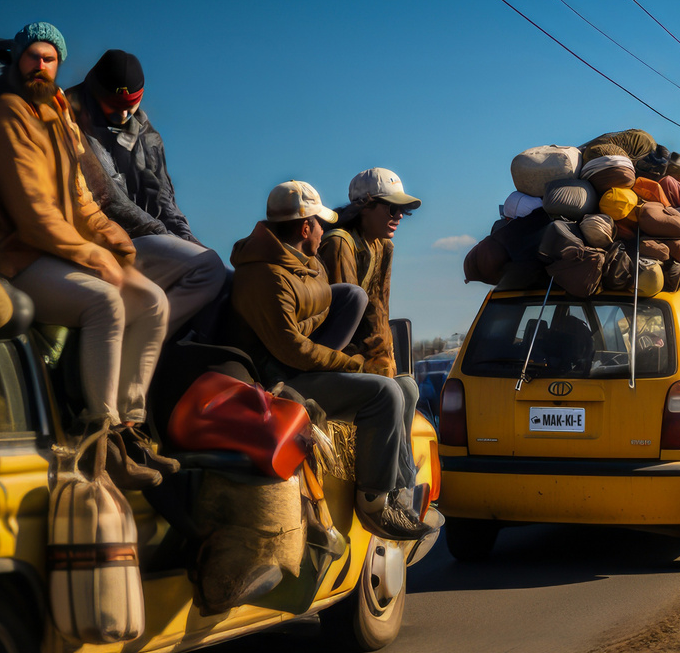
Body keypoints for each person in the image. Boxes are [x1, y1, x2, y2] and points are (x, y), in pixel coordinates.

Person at [0, 21, 173, 489]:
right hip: (13, 256)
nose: (41, 65)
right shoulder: (6, 116)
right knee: (104, 302)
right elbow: (33, 214)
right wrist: (91, 256)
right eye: (33, 56)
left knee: (154, 302)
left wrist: (113, 241)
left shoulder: (57, 120)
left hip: (54, 251)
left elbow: (80, 201)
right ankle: (98, 439)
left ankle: (129, 429)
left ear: (59, 66)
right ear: (18, 60)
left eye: (50, 58)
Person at [226, 181, 437, 541]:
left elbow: (311, 321)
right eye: (320, 224)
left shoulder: (303, 263)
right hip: (280, 381)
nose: (325, 231)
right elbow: (290, 347)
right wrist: (350, 363)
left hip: (299, 365)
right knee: (384, 394)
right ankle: (374, 502)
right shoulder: (267, 274)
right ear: (305, 228)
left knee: (404, 386)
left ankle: (401, 495)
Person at [65, 49, 228, 341]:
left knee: (227, 279)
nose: (124, 114)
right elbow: (108, 199)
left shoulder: (145, 132)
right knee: (210, 270)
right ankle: (137, 341)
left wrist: (188, 240)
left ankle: (184, 353)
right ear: (94, 91)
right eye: (114, 105)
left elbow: (165, 200)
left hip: (146, 237)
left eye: (131, 105)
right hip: (102, 240)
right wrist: (165, 236)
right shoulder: (69, 120)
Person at [318, 167, 417, 390]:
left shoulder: (383, 246)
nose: (400, 216)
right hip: (339, 365)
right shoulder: (339, 244)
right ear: (364, 207)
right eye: (393, 208)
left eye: (403, 210)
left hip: (367, 366)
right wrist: (374, 371)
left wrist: (387, 366)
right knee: (393, 392)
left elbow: (379, 313)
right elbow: (344, 327)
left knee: (409, 389)